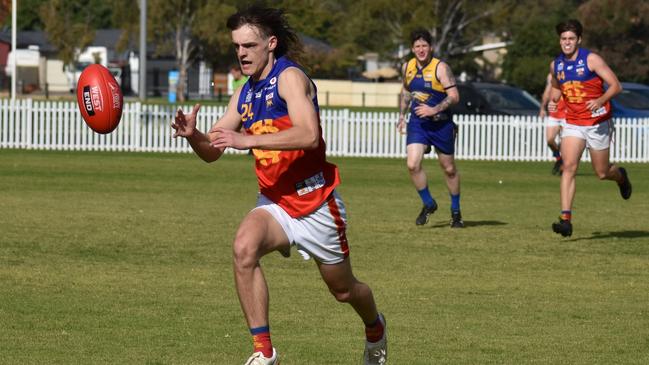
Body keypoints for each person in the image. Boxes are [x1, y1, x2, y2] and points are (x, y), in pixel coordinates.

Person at [170, 6, 387, 365]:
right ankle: (264, 352)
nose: (241, 53)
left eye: (249, 45)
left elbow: (308, 134)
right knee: (243, 247)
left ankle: (375, 327)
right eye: (237, 46)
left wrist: (248, 141)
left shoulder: (290, 78)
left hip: (316, 204)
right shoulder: (243, 93)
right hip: (276, 203)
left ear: (271, 44)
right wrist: (194, 136)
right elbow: (214, 151)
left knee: (345, 291)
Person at [548, 19, 632, 237]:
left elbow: (616, 86)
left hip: (597, 122)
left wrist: (600, 100)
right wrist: (553, 101)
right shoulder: (556, 64)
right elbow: (557, 89)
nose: (567, 42)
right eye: (563, 39)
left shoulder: (591, 59)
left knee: (602, 173)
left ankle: (620, 176)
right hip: (574, 122)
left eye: (571, 39)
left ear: (579, 40)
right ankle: (565, 219)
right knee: (569, 167)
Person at [396, 28, 463, 228]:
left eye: (424, 45)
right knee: (412, 164)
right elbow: (406, 92)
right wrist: (401, 115)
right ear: (412, 48)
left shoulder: (440, 68)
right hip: (418, 123)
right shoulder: (407, 66)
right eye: (417, 46)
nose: (421, 49)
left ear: (431, 47)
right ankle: (428, 203)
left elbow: (454, 96)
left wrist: (434, 109)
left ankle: (456, 211)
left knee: (449, 169)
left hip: (441, 123)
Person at [539, 72, 566, 175]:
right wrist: (542, 108)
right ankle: (559, 158)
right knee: (550, 140)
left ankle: (563, 165)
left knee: (564, 143)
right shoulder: (551, 75)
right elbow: (547, 92)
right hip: (554, 113)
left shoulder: (573, 73)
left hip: (567, 114)